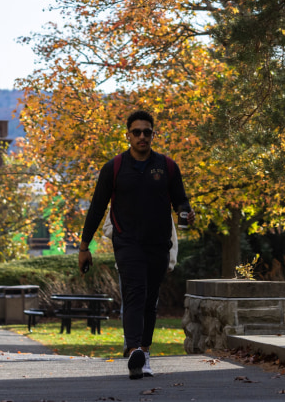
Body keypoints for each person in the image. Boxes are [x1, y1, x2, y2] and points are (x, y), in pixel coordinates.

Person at [77, 110, 194, 380]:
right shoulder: (114, 168)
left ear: (154, 135)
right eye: (137, 132)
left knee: (150, 300)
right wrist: (84, 247)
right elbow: (96, 209)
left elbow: (181, 201)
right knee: (134, 294)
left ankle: (144, 351)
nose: (142, 136)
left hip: (158, 244)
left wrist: (187, 212)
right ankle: (133, 352)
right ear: (128, 135)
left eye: (147, 132)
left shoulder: (167, 167)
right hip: (127, 242)